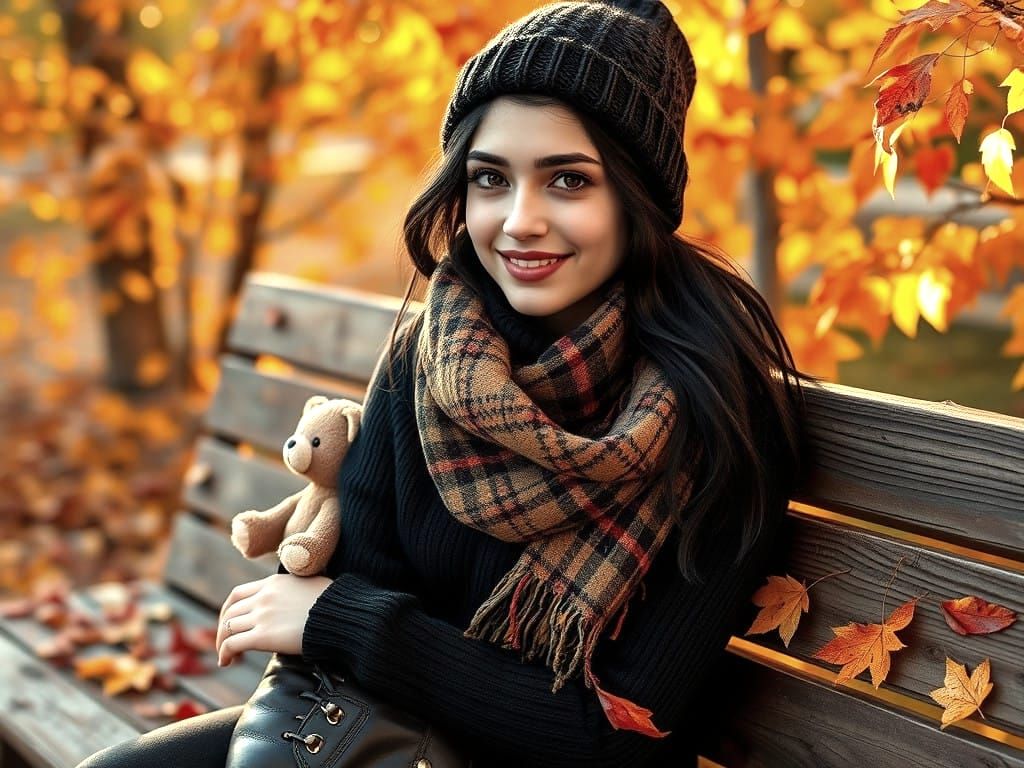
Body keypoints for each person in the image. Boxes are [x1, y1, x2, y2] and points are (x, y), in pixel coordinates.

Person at [77, 1, 818, 766]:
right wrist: (344, 624)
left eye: (568, 180)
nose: (519, 220)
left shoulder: (721, 411)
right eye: (491, 179)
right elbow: (328, 615)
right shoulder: (428, 359)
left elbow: (611, 736)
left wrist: (353, 623)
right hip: (385, 731)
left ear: (638, 201)